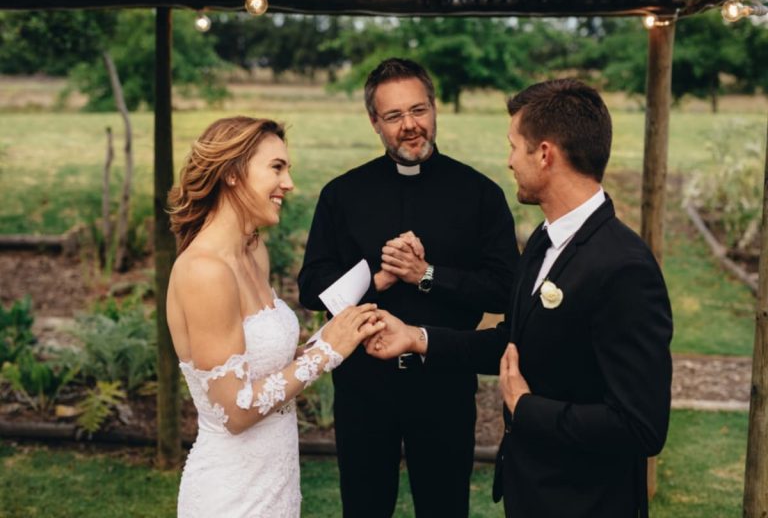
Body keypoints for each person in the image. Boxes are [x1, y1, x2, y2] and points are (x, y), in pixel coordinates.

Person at [366, 79, 673, 518]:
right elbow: (512, 344)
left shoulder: (624, 268)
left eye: (514, 146)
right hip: (531, 493)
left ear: (544, 154)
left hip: (587, 502)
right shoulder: (543, 243)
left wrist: (528, 410)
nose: (509, 161)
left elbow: (641, 426)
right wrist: (416, 337)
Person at [298, 58, 519, 517]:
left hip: (444, 379)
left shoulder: (480, 194)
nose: (410, 126)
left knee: (444, 506)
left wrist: (428, 275)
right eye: (394, 116)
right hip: (361, 385)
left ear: (435, 109)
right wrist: (375, 277)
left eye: (418, 110)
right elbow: (311, 288)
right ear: (375, 122)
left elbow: (504, 290)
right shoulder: (342, 195)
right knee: (364, 506)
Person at [165, 116, 384, 517]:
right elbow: (235, 410)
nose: (289, 184)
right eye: (276, 168)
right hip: (231, 493)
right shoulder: (204, 271)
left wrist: (331, 336)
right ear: (232, 174)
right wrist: (325, 355)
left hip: (277, 478)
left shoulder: (253, 252)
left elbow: (263, 367)